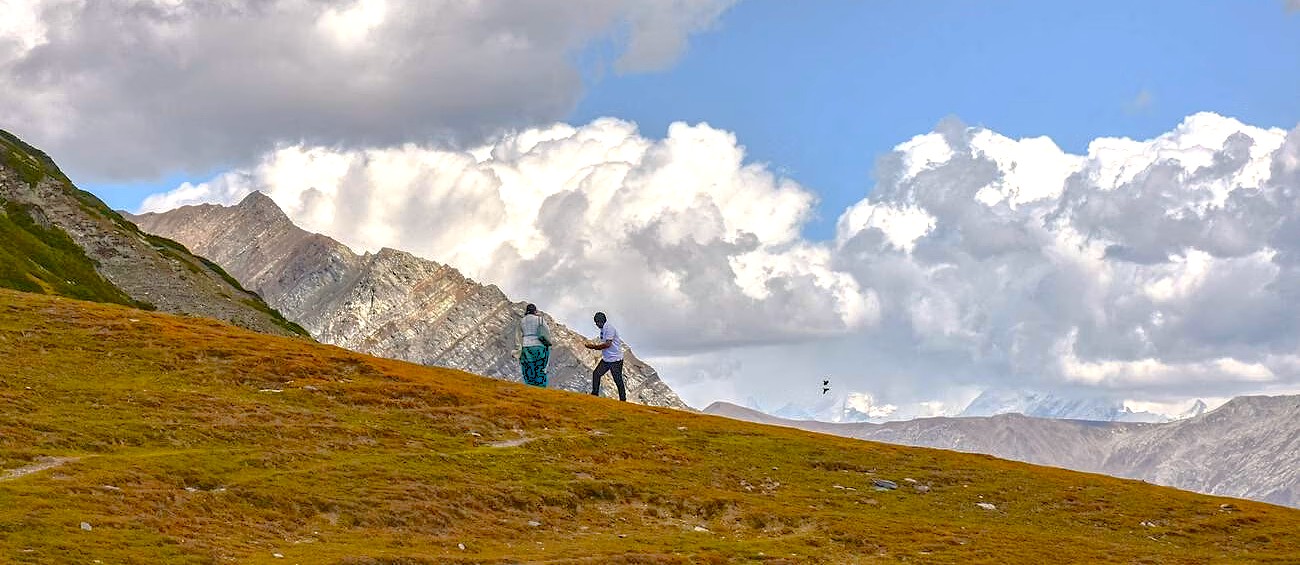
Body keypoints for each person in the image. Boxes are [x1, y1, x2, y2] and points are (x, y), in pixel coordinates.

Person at [584, 311, 626, 401]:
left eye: (596, 322)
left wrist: (593, 347)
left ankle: (623, 400)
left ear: (600, 321)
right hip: (607, 359)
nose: (596, 325)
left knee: (618, 380)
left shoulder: (609, 328)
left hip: (615, 360)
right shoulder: (603, 329)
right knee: (596, 374)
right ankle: (594, 394)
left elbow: (608, 344)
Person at [518, 304, 552, 387]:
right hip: (539, 346)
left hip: (526, 346)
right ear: (535, 311)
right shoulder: (540, 319)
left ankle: (530, 386)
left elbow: (518, 335)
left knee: (528, 367)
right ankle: (540, 387)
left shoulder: (522, 321)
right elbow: (547, 332)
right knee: (539, 367)